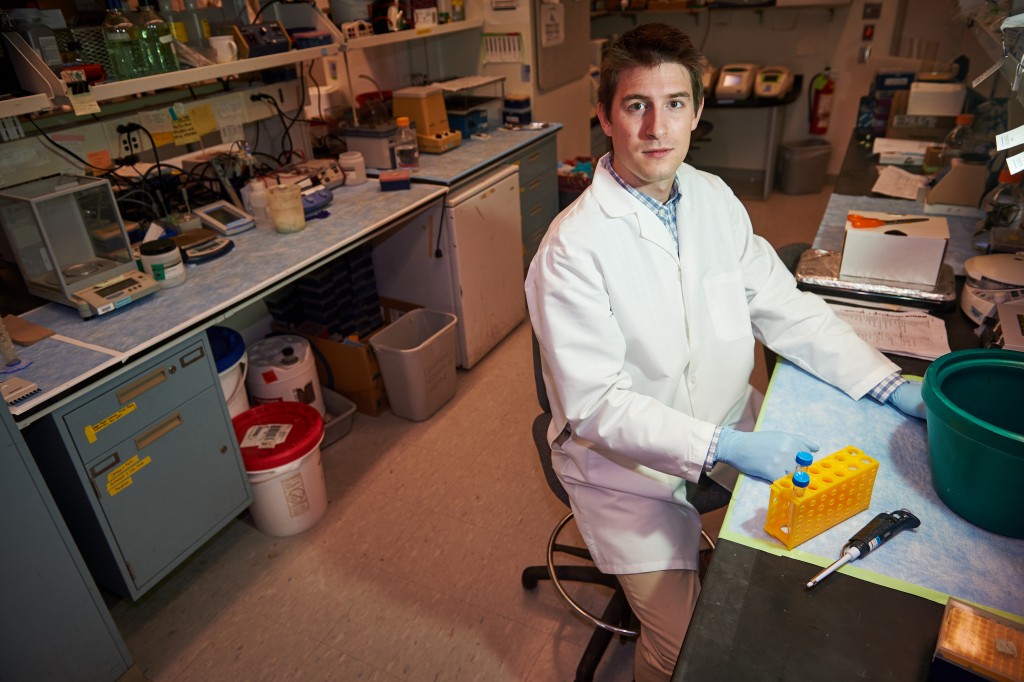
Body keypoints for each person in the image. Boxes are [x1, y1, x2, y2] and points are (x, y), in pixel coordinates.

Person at [524, 23, 927, 682]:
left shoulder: (713, 200)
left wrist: (887, 385)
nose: (657, 126)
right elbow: (595, 406)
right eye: (636, 105)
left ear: (698, 112)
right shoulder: (572, 249)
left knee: (841, 529)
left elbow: (784, 307)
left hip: (735, 417)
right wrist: (720, 448)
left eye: (675, 103)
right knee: (688, 652)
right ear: (603, 116)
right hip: (625, 472)